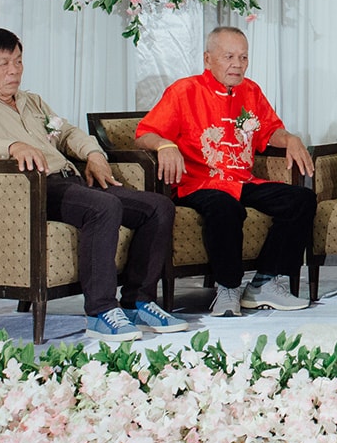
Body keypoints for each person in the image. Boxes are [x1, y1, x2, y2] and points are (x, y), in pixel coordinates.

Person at [0, 28, 184, 341]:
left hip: (71, 181)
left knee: (158, 207)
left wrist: (94, 154)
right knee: (104, 206)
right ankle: (100, 312)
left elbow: (66, 132)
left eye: (18, 61)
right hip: (33, 189)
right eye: (4, 64)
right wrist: (12, 146)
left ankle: (138, 302)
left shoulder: (32, 102)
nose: (14, 70)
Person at [135, 26, 316, 317]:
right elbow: (145, 133)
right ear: (208, 59)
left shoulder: (251, 91)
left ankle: (265, 282)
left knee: (301, 199)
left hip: (242, 179)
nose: (237, 64)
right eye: (229, 56)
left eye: (243, 57)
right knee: (225, 206)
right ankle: (228, 287)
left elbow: (269, 131)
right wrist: (164, 144)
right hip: (198, 182)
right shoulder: (184, 90)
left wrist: (290, 138)